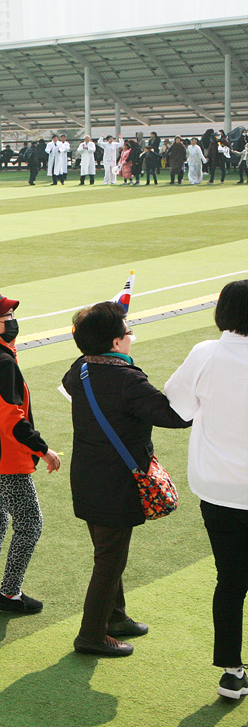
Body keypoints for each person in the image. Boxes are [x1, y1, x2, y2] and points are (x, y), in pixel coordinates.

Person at [59, 302, 190, 657]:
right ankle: (91, 636)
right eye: (128, 332)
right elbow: (176, 416)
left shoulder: (79, 369)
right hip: (117, 483)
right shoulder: (127, 380)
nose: (131, 337)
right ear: (116, 342)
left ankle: (114, 618)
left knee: (108, 552)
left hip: (88, 477)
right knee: (110, 561)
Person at [165, 280, 248, 698]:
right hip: (223, 489)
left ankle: (231, 671)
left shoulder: (205, 353)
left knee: (230, 580)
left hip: (218, 489)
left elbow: (178, 405)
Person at [0, 291, 62, 614]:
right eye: (7, 317)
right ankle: (9, 594)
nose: (13, 321)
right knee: (30, 523)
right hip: (4, 460)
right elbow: (12, 419)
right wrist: (42, 449)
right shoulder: (3, 362)